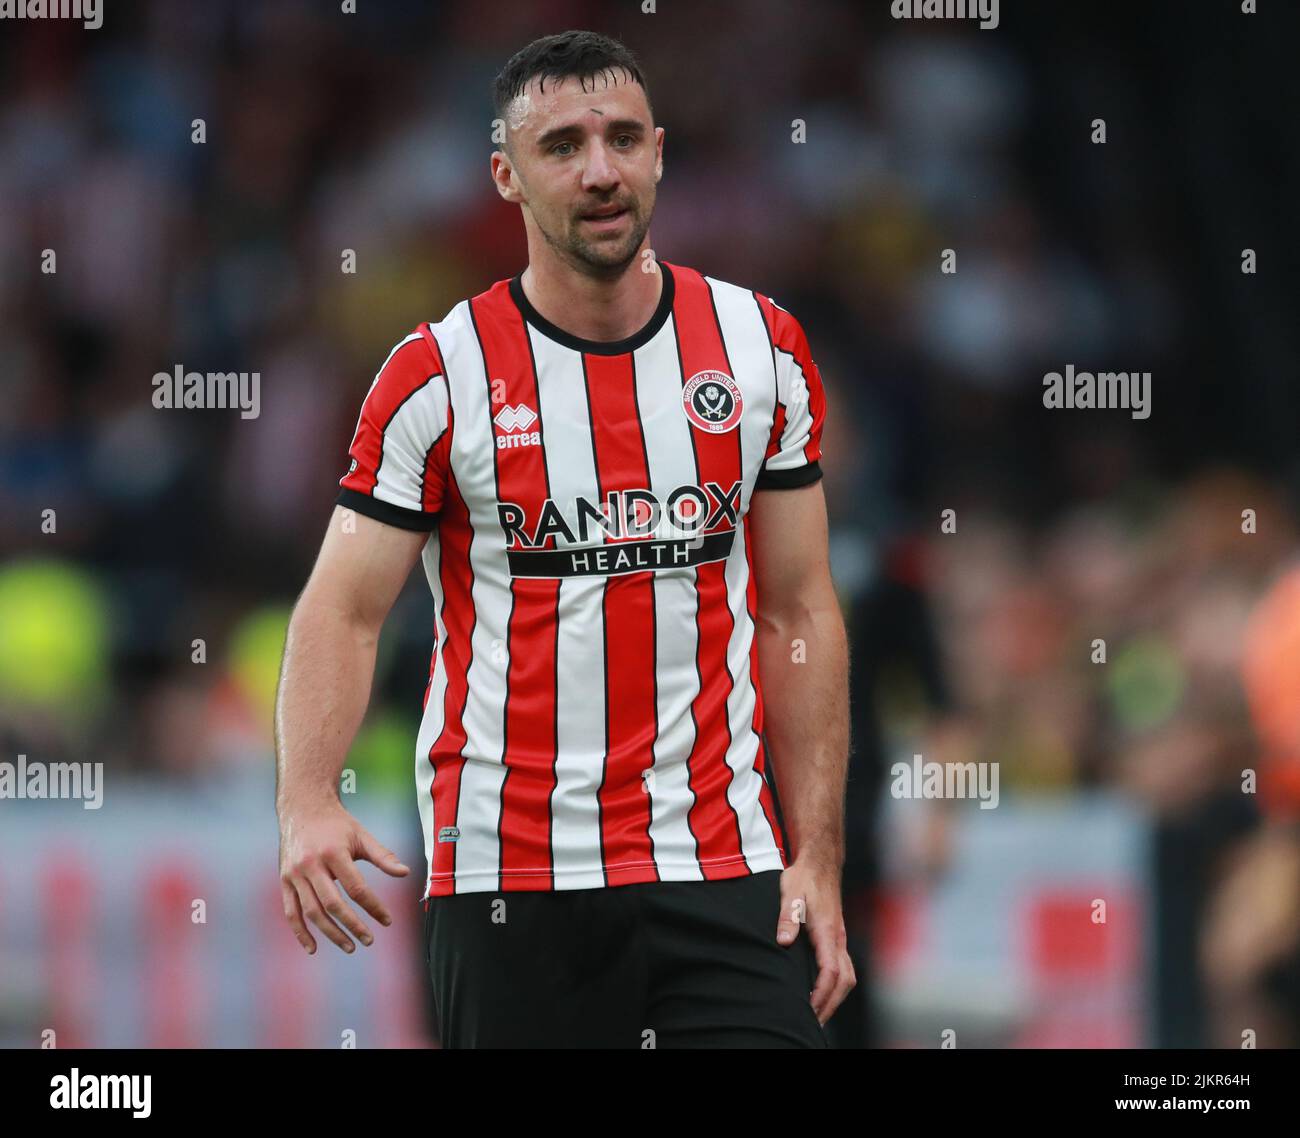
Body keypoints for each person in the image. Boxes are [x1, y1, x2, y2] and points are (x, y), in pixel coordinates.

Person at [274, 29, 853, 1048]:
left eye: (623, 138)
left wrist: (818, 858)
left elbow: (797, 609)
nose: (600, 171)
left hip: (721, 868)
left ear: (660, 154)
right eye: (562, 146)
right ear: (506, 174)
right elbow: (345, 607)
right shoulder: (436, 374)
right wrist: (306, 799)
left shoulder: (760, 347)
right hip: (510, 879)